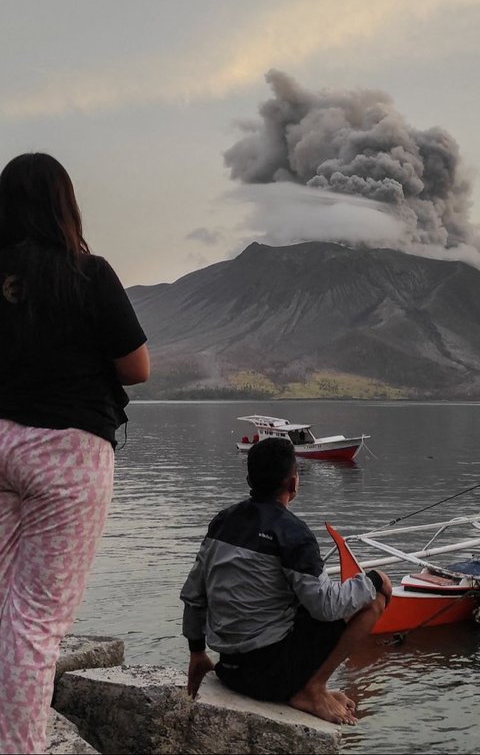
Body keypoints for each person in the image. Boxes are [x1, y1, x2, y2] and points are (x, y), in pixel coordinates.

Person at [0, 152, 150, 755]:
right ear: (66, 205)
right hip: (69, 452)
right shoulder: (88, 272)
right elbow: (136, 368)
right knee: (35, 622)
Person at [181, 437, 392, 725]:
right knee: (374, 600)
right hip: (270, 678)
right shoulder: (293, 533)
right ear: (293, 484)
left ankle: (313, 687)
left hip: (229, 670)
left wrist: (197, 652)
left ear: (249, 480)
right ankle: (312, 689)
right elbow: (326, 608)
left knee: (296, 601)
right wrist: (373, 581)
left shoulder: (223, 522)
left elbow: (194, 594)